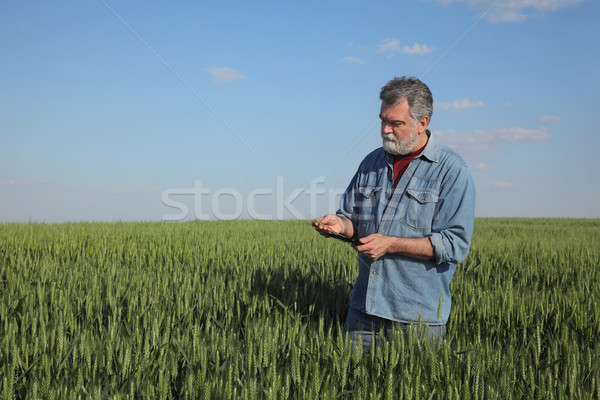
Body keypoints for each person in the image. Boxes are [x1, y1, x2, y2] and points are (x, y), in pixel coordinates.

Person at [313, 76, 475, 351]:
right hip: (363, 313)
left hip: (418, 320)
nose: (385, 130)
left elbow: (454, 244)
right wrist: (340, 225)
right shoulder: (371, 162)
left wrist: (391, 244)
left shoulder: (452, 170)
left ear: (422, 122)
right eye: (382, 120)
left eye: (395, 123)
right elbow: (354, 219)